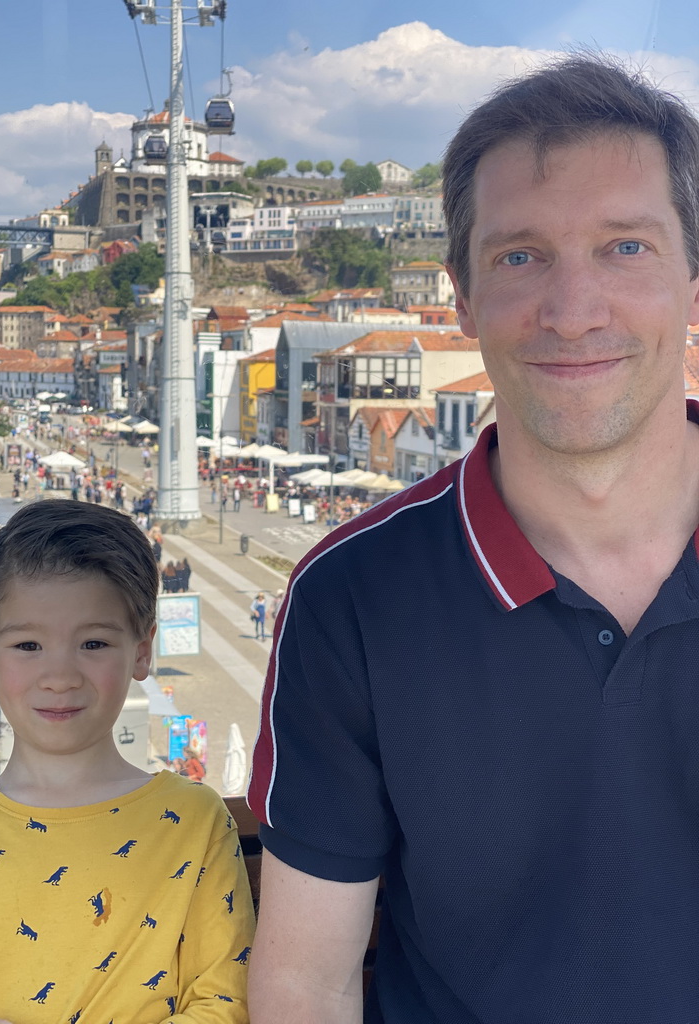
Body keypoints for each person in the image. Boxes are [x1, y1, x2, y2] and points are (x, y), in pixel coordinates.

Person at [247, 53, 699, 1024]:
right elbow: (306, 982)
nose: (574, 312)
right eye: (520, 255)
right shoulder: (354, 600)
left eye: (626, 248)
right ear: (458, 296)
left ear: (694, 283)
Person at [0, 501, 254, 1024]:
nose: (60, 675)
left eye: (94, 642)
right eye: (28, 644)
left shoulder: (195, 823)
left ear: (143, 651)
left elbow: (225, 1004)